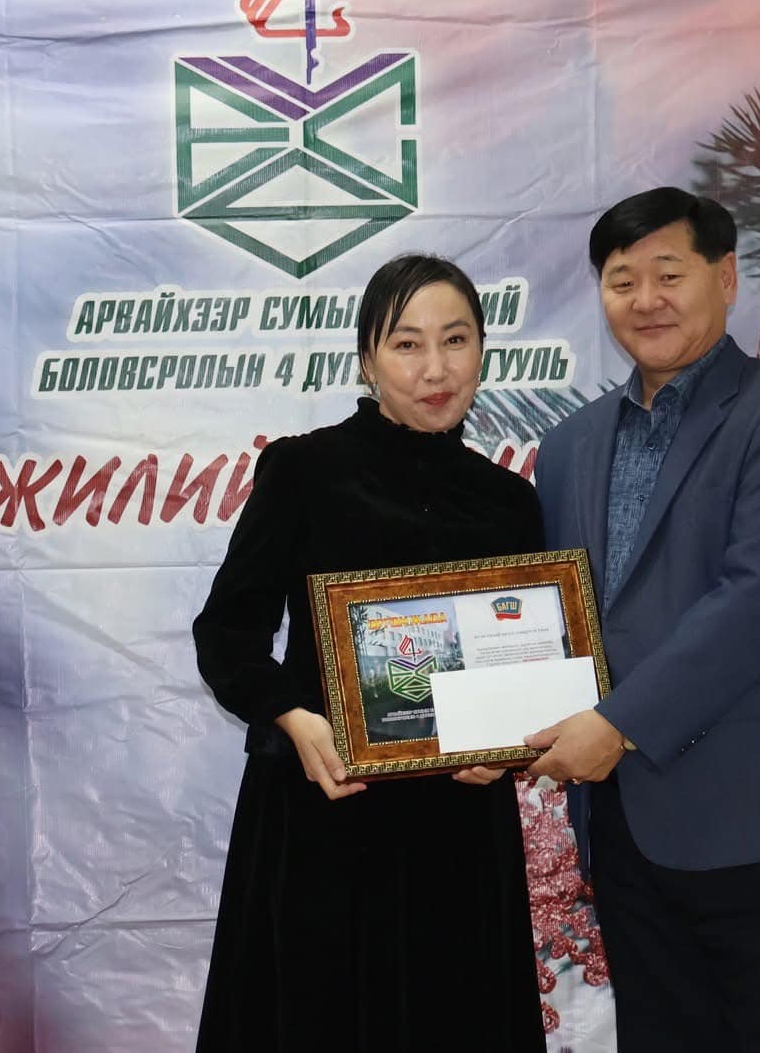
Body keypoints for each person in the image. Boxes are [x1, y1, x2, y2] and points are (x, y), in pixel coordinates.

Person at [524, 187, 760, 1052]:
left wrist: (616, 724)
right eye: (622, 281)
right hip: (628, 834)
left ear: (725, 278)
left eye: (669, 274)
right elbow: (557, 617)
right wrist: (494, 729)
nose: (645, 300)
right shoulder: (569, 446)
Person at [192, 254, 548, 1053]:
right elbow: (227, 632)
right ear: (367, 360)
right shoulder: (305, 471)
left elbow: (525, 663)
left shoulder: (509, 502)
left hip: (459, 830)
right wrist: (293, 718)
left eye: (455, 340)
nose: (435, 369)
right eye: (407, 344)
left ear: (482, 351)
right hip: (325, 811)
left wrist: (511, 747)